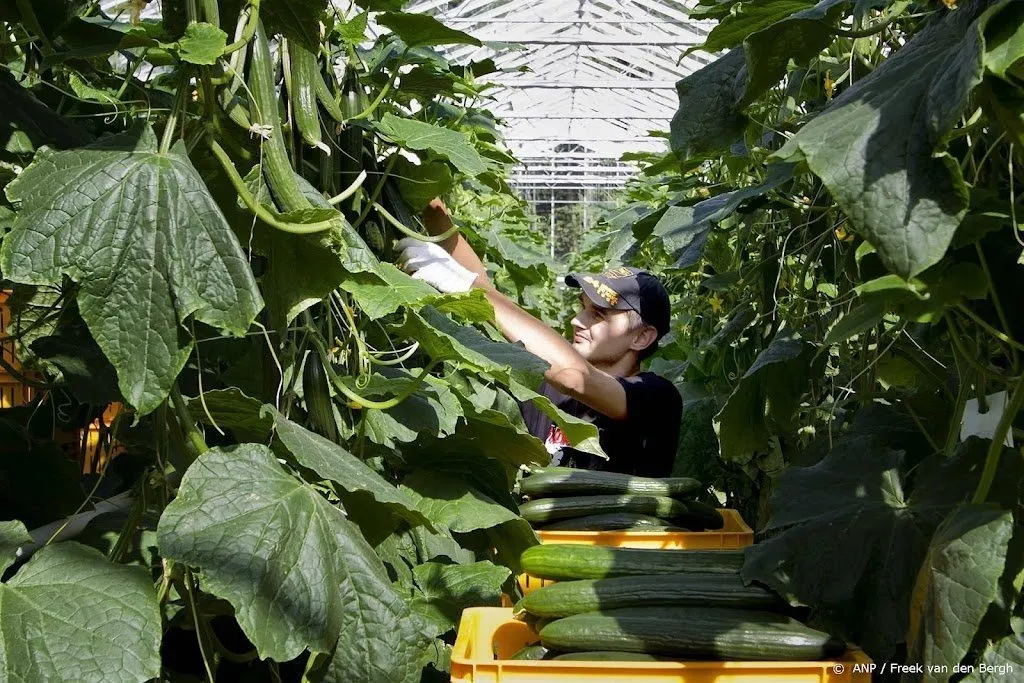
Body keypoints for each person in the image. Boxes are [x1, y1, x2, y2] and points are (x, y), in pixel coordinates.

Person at [397, 199, 682, 477]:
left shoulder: (657, 397)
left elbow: (574, 377)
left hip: (617, 526)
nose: (576, 321)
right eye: (582, 308)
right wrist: (429, 202)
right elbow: (491, 296)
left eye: (598, 315)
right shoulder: (549, 389)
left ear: (642, 337)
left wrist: (468, 287)